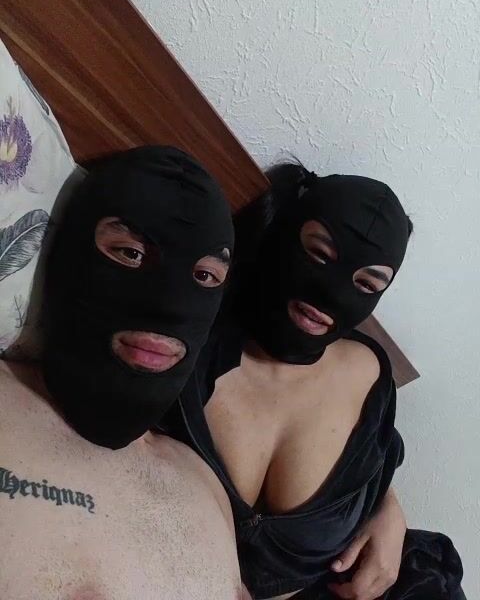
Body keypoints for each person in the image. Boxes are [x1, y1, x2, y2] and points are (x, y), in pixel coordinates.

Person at [172, 163, 466, 600]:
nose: (333, 294)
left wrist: (387, 509)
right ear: (284, 234)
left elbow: (374, 458)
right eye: (320, 255)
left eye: (368, 283)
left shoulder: (369, 371)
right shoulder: (188, 341)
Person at [0, 146, 247, 599]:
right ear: (69, 256)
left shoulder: (205, 484)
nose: (171, 305)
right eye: (130, 253)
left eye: (205, 276)